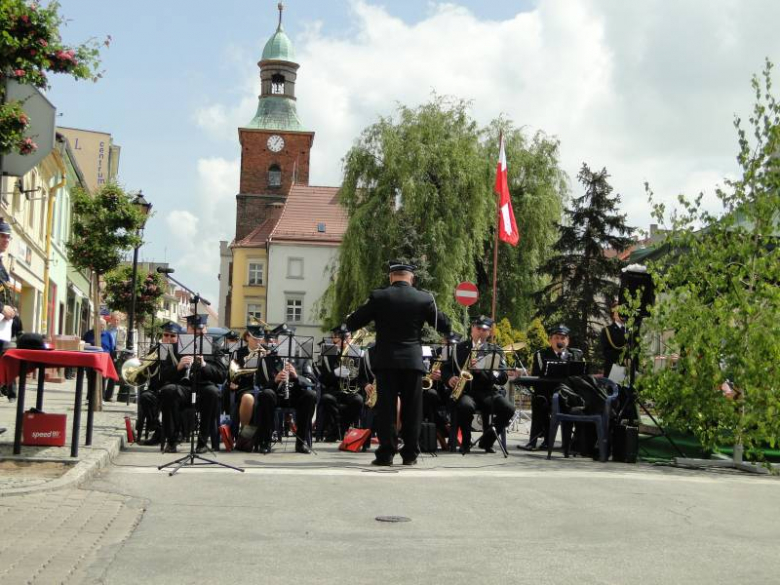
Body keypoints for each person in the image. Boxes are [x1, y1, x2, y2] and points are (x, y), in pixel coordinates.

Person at [345, 259, 451, 466]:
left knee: (386, 409)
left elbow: (353, 322)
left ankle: (386, 454)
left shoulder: (379, 296)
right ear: (411, 278)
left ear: (391, 276)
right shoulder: (424, 298)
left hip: (386, 361)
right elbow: (444, 325)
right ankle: (410, 454)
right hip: (412, 361)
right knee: (413, 409)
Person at [442, 316, 513, 454]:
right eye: (478, 328)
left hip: (487, 392)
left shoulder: (495, 350)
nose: (481, 332)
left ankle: (487, 440)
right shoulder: (459, 348)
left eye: (485, 330)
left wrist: (484, 371)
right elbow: (445, 368)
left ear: (489, 332)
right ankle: (466, 442)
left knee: (509, 409)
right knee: (465, 406)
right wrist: (449, 378)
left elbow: (503, 377)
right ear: (472, 329)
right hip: (466, 391)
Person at [159, 314, 227, 454]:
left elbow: (221, 376)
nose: (197, 333)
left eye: (200, 330)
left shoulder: (214, 348)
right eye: (194, 329)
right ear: (188, 329)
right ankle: (172, 440)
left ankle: (202, 441)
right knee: (168, 391)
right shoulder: (174, 347)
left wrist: (204, 365)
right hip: (183, 387)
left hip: (203, 387)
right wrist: (178, 367)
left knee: (212, 392)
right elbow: (163, 375)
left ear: (205, 330)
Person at [253, 324, 317, 454]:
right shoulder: (267, 359)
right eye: (282, 339)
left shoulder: (302, 358)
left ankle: (301, 442)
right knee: (266, 395)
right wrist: (275, 381)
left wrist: (296, 376)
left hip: (295, 396)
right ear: (276, 341)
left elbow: (311, 381)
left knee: (310, 395)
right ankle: (265, 441)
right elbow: (260, 384)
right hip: (276, 396)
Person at [521, 324, 584, 451]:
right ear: (550, 340)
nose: (560, 341)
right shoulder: (542, 354)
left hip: (568, 396)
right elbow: (537, 378)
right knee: (538, 401)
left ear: (568, 340)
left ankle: (571, 443)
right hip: (547, 394)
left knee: (575, 404)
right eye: (556, 338)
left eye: (563, 338)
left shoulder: (575, 355)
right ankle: (536, 441)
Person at [137, 321, 184, 446]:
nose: (168, 338)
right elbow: (151, 374)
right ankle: (158, 430)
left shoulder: (182, 352)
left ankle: (175, 432)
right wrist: (144, 364)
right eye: (166, 335)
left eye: (172, 336)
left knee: (172, 398)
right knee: (145, 397)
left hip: (174, 391)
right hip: (157, 389)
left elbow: (178, 374)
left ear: (178, 337)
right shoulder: (156, 349)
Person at [317, 325, 365, 441]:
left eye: (346, 337)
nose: (343, 341)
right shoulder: (328, 355)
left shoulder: (357, 354)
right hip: (334, 391)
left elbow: (363, 377)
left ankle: (339, 430)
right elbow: (322, 379)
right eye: (339, 338)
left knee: (358, 400)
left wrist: (355, 371)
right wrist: (335, 373)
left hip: (350, 391)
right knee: (327, 399)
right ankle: (337, 430)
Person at [230, 325, 266, 451]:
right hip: (245, 388)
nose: (258, 342)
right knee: (247, 398)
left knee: (267, 397)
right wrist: (244, 370)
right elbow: (232, 375)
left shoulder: (266, 352)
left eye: (260, 339)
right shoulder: (238, 353)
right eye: (255, 339)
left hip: (263, 388)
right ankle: (245, 436)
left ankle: (261, 439)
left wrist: (267, 359)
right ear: (247, 337)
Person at [422, 332, 461, 442]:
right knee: (429, 395)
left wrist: (445, 377)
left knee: (453, 398)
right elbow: (424, 371)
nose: (448, 346)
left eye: (451, 344)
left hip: (451, 390)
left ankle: (447, 430)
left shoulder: (459, 355)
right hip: (435, 390)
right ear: (442, 341)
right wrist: (431, 375)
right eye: (446, 343)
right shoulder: (434, 353)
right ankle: (438, 428)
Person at [0, 218, 18, 430]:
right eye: (3, 236)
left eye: (8, 237)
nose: (6, 240)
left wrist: (12, 308)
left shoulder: (3, 262)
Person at [600, 301, 627, 378]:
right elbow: (606, 352)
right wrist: (623, 360)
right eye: (618, 311)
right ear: (613, 315)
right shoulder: (607, 331)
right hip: (614, 369)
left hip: (629, 369)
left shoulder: (630, 330)